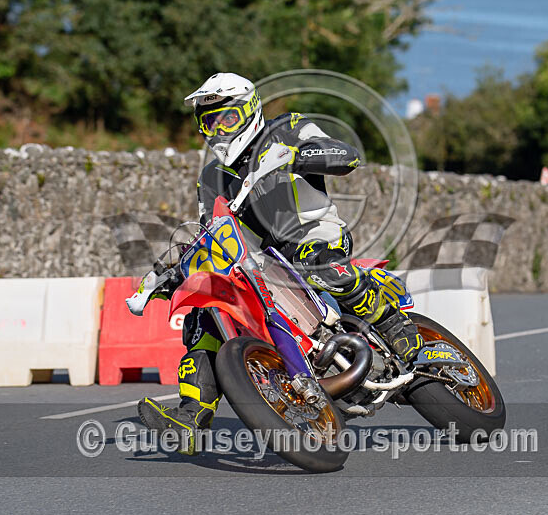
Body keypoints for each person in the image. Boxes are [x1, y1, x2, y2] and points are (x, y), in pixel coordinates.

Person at [137, 73, 423, 453]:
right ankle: (191, 418)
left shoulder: (288, 128)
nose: (218, 129)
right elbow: (211, 229)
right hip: (262, 264)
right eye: (209, 121)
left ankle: (393, 322)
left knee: (318, 263)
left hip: (313, 235)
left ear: (249, 110)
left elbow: (345, 155)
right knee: (203, 317)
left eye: (227, 118)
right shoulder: (211, 177)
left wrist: (301, 154)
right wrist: (168, 275)